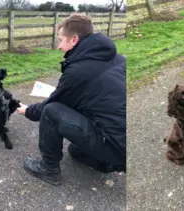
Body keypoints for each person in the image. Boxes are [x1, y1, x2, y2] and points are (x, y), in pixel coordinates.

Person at [15, 13, 127, 186]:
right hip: (124, 140)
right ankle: (107, 162)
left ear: (74, 39)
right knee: (75, 151)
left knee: (52, 111)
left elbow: (51, 103)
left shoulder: (78, 71)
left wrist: (27, 110)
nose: (59, 46)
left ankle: (49, 169)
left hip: (116, 145)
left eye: (61, 40)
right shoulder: (117, 58)